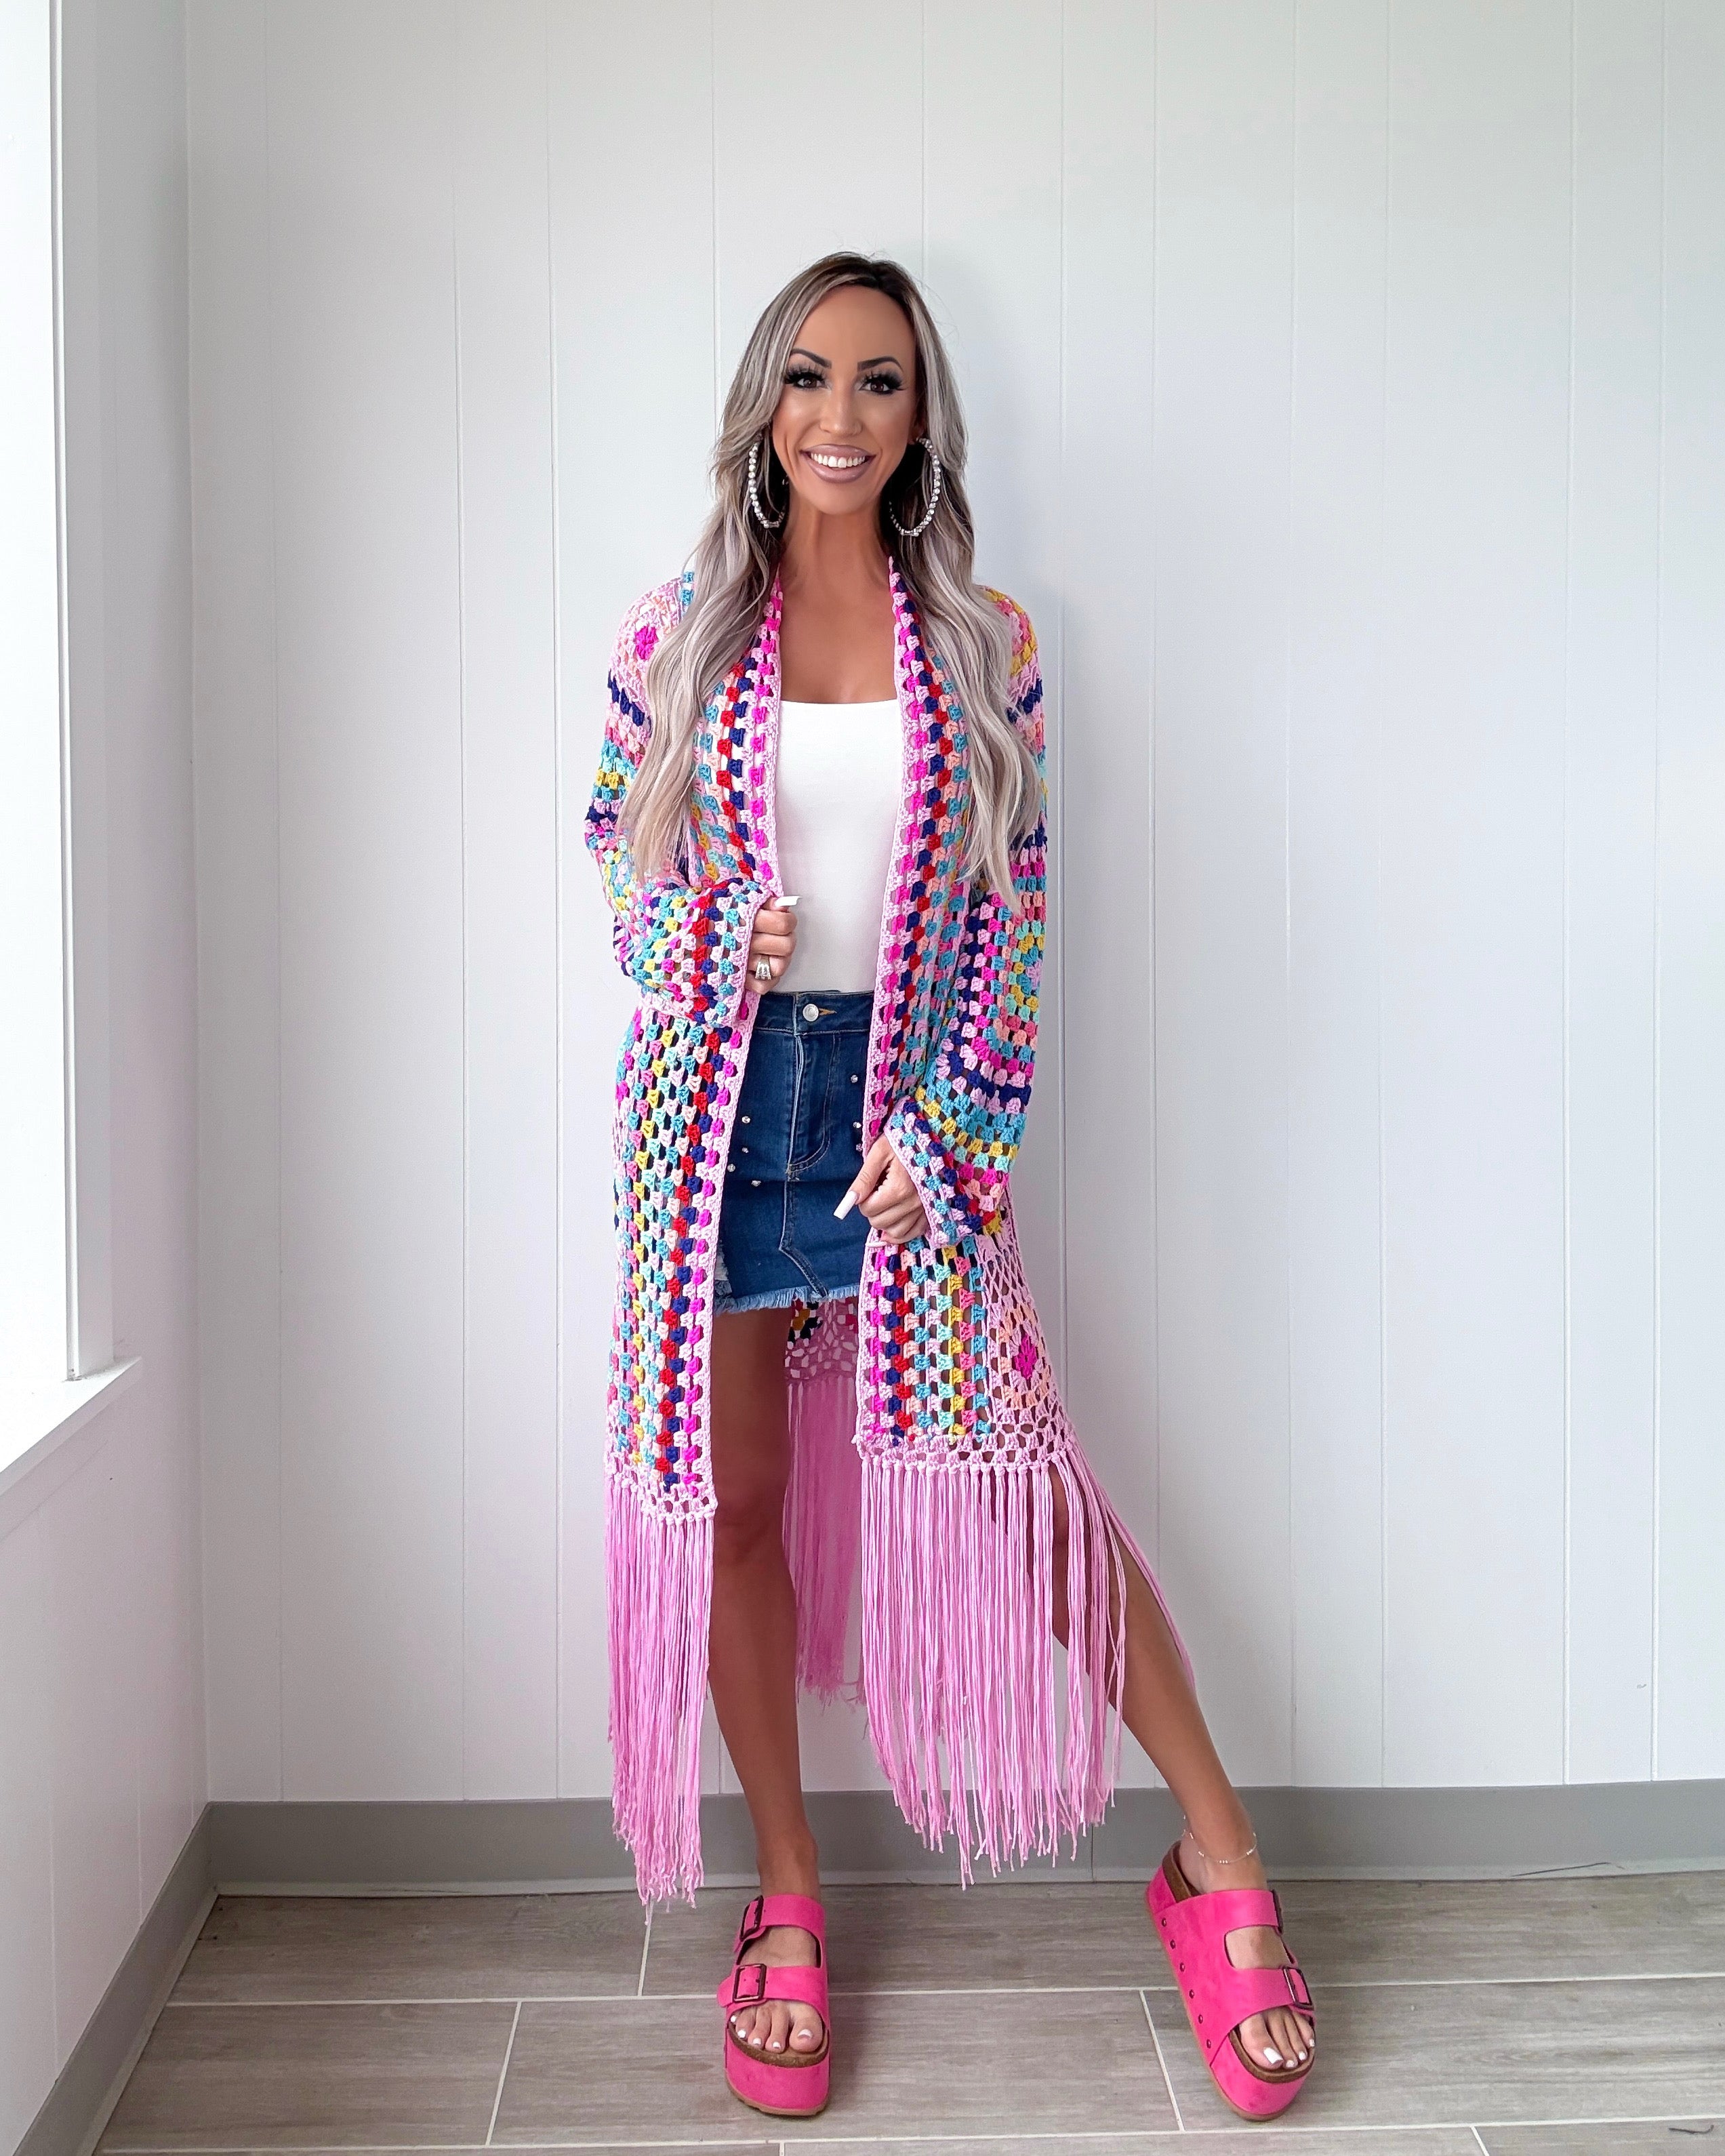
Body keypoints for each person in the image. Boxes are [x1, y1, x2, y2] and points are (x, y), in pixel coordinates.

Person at [584, 252, 1315, 2125]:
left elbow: (1015, 914)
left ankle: (1217, 1857)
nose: (839, 415)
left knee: (1030, 1495)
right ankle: (788, 1891)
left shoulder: (988, 640)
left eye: (880, 382)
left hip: (901, 1129)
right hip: (715, 1127)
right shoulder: (678, 632)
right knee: (738, 1510)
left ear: (922, 419)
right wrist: (699, 938)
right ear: (764, 403)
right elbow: (610, 852)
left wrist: (959, 1135)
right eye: (809, 376)